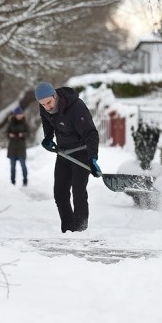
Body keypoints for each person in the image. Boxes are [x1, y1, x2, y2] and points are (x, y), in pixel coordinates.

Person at [35, 81, 101, 233]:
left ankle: (80, 230)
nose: (48, 107)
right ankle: (68, 230)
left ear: (55, 96)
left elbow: (91, 133)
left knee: (78, 192)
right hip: (64, 153)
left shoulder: (76, 107)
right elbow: (46, 120)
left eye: (49, 102)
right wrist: (48, 137)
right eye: (43, 104)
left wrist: (93, 158)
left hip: (82, 152)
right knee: (60, 193)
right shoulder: (44, 106)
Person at [6, 106, 29, 186]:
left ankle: (25, 180)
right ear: (15, 115)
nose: (19, 116)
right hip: (12, 148)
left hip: (21, 148)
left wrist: (22, 134)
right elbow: (6, 133)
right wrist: (10, 135)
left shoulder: (24, 123)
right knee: (12, 167)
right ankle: (12, 181)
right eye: (18, 114)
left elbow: (28, 133)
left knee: (23, 166)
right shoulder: (11, 123)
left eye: (20, 114)